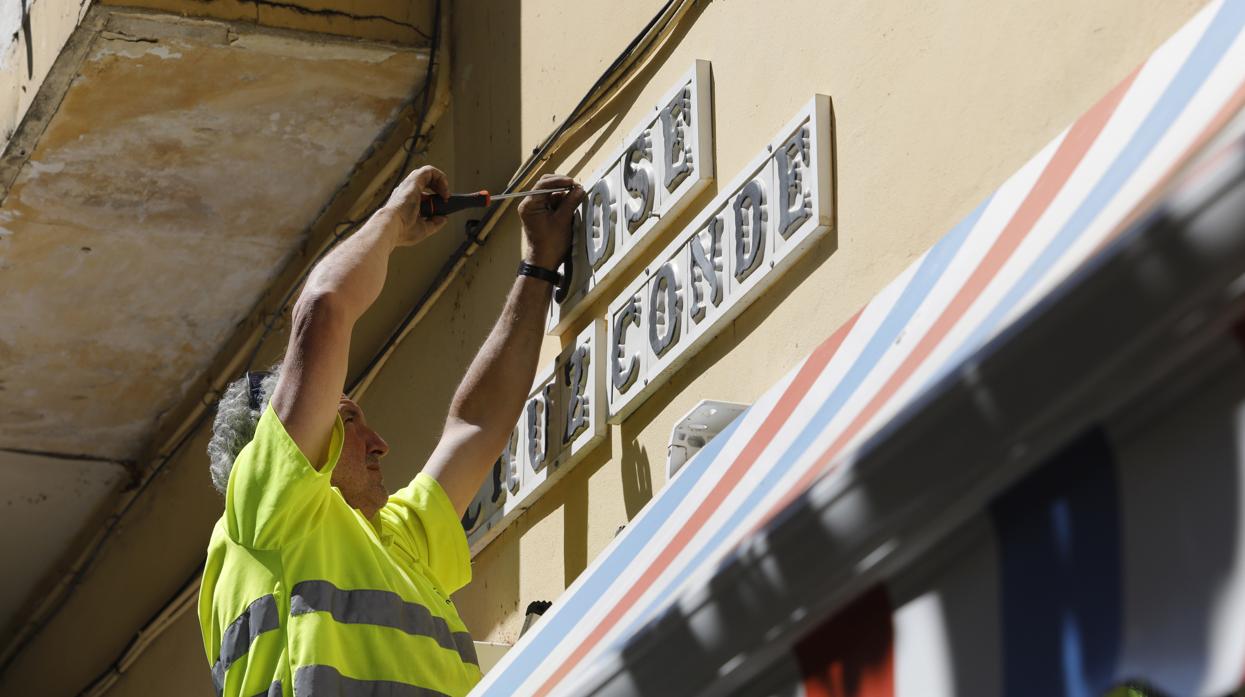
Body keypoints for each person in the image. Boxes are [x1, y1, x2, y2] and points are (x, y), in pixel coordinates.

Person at [197, 165, 584, 697]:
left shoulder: (392, 539)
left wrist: (539, 265)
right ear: (273, 449)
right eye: (347, 420)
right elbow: (323, 308)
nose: (379, 442)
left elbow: (475, 425)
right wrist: (394, 219)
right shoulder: (269, 506)